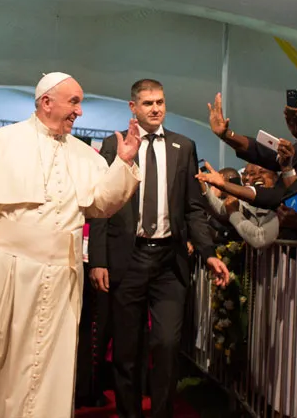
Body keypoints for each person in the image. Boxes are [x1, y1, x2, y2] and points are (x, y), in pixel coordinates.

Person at [0, 72, 142, 418]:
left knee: (48, 366)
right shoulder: (3, 141)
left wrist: (123, 164)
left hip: (62, 278)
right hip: (5, 273)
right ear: (47, 101)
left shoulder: (84, 154)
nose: (79, 111)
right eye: (73, 102)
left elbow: (101, 204)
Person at [87, 79, 229, 418]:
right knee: (126, 350)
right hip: (127, 259)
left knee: (166, 345)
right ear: (132, 107)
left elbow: (194, 208)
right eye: (148, 103)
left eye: (160, 102)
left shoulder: (184, 146)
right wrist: (99, 259)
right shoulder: (113, 145)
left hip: (169, 262)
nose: (156, 108)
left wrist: (209, 252)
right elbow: (102, 206)